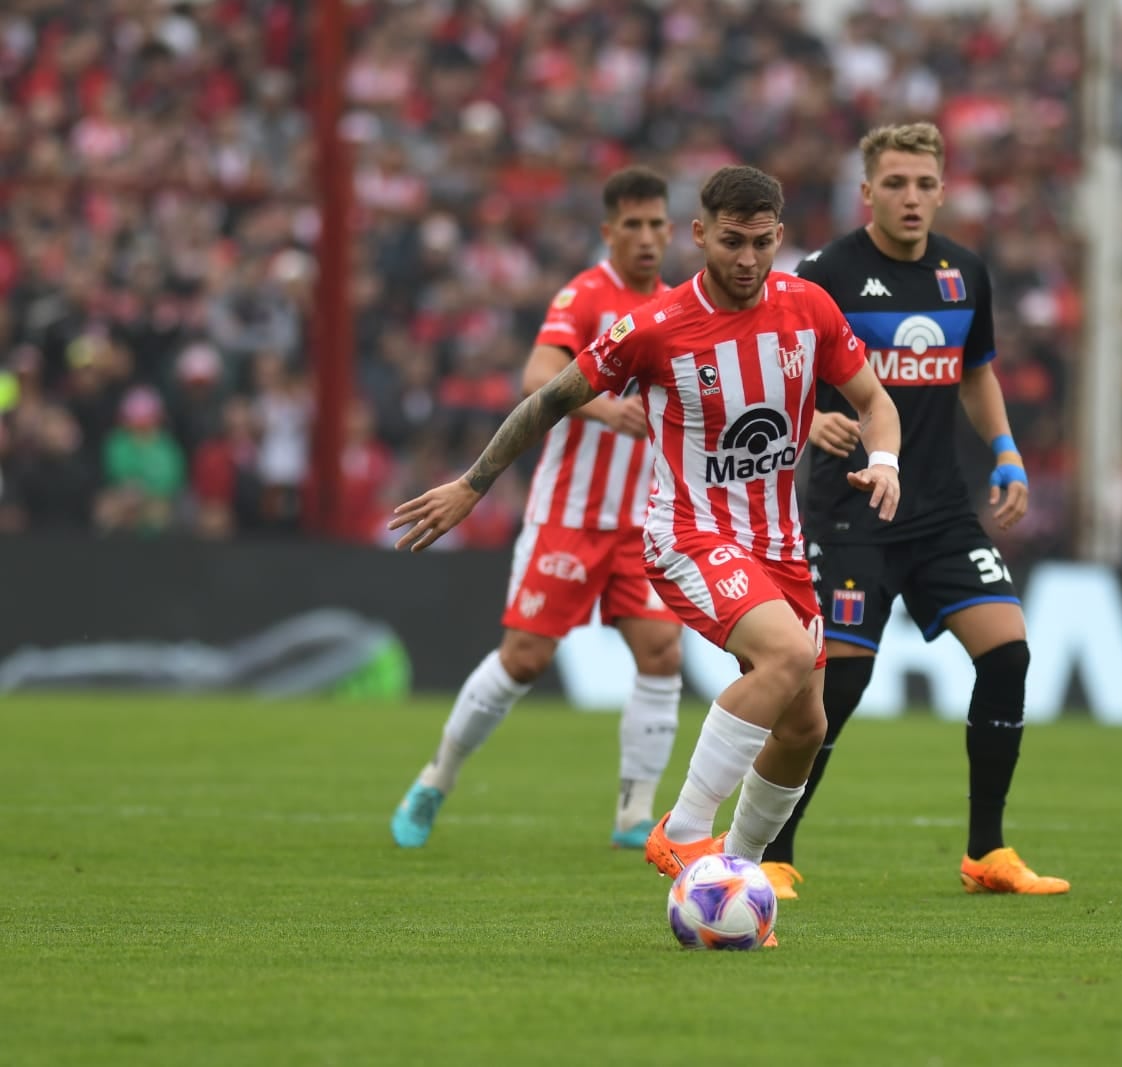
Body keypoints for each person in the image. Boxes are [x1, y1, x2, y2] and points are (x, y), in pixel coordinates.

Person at [390, 166, 903, 928]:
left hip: (780, 546)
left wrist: (885, 460)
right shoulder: (653, 327)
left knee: (806, 726)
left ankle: (737, 883)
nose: (748, 259)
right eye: (732, 241)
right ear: (699, 235)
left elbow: (874, 400)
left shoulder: (809, 306)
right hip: (688, 535)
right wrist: (473, 482)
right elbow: (548, 395)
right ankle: (683, 830)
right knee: (785, 657)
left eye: (763, 243)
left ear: (779, 239)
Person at [762, 122, 1071, 898]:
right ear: (866, 191)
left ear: (943, 189)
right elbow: (772, 366)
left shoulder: (964, 274)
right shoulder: (826, 272)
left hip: (939, 510)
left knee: (1007, 651)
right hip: (851, 510)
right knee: (838, 686)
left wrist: (1005, 451)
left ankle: (987, 852)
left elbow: (976, 373)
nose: (911, 197)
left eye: (924, 184)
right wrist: (807, 420)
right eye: (895, 183)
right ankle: (774, 849)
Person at [390, 167, 687, 850]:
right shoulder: (585, 295)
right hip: (569, 515)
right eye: (632, 225)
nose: (645, 238)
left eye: (655, 225)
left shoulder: (681, 308)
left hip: (645, 521)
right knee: (524, 658)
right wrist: (608, 407)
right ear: (609, 231)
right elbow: (534, 376)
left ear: (671, 231)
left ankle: (634, 813)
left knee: (662, 651)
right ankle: (438, 775)